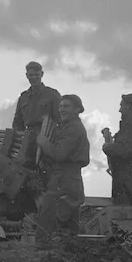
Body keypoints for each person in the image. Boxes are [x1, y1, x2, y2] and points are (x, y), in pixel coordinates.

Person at [34, 94, 90, 244]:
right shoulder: (71, 126)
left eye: (66, 106)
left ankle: (43, 258)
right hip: (69, 178)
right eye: (60, 106)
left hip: (64, 179)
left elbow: (59, 153)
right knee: (67, 227)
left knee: (48, 223)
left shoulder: (73, 128)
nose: (61, 110)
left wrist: (44, 143)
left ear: (77, 109)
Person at [13, 61, 62, 168]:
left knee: (46, 168)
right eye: (31, 75)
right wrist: (20, 139)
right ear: (26, 76)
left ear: (42, 74)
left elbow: (61, 119)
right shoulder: (23, 97)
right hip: (28, 138)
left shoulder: (52, 94)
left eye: (36, 75)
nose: (34, 78)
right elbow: (17, 122)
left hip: (47, 137)